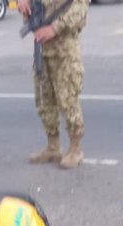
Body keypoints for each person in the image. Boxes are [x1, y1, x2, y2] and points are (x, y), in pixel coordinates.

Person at [19, 0, 89, 169]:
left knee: (68, 100)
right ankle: (53, 147)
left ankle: (75, 149)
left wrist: (54, 28)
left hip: (65, 51)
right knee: (45, 101)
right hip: (42, 49)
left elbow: (80, 11)